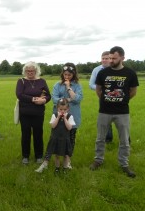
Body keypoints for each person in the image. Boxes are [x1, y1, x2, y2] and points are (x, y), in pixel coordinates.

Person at [89, 46, 139, 178]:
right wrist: (107, 99)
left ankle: (124, 164)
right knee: (100, 138)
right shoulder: (103, 73)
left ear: (122, 57)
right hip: (104, 111)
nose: (110, 60)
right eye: (109, 58)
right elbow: (98, 89)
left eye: (114, 58)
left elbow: (133, 91)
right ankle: (98, 160)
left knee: (124, 140)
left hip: (122, 112)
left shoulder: (130, 73)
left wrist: (122, 100)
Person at [15, 61, 51, 164]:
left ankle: (39, 156)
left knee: (38, 134)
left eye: (32, 70)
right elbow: (19, 95)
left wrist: (44, 100)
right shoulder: (21, 81)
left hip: (38, 113)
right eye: (28, 71)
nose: (30, 72)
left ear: (36, 71)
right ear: (25, 71)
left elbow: (48, 95)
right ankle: (25, 156)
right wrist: (34, 99)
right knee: (25, 134)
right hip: (25, 113)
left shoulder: (42, 81)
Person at [51, 62, 83, 169]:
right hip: (59, 118)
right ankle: (58, 161)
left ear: (74, 74)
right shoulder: (57, 85)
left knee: (70, 140)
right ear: (62, 74)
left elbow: (78, 99)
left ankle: (68, 161)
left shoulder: (77, 86)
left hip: (72, 116)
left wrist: (69, 88)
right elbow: (54, 99)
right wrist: (68, 100)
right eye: (65, 74)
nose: (67, 77)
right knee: (58, 138)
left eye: (69, 75)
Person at [35, 98, 76, 174]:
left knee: (66, 155)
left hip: (65, 139)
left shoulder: (70, 116)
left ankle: (65, 168)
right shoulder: (55, 115)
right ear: (57, 108)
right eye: (60, 109)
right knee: (56, 155)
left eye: (65, 109)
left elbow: (69, 128)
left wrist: (65, 119)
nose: (62, 111)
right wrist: (58, 117)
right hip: (56, 138)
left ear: (68, 109)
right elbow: (53, 126)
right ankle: (57, 168)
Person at [89, 51, 113, 143]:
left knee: (120, 119)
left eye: (106, 58)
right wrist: (102, 89)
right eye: (103, 58)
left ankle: (126, 139)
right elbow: (91, 84)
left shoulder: (116, 69)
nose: (104, 60)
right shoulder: (96, 70)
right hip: (103, 97)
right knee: (106, 118)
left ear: (110, 59)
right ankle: (108, 139)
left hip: (118, 98)